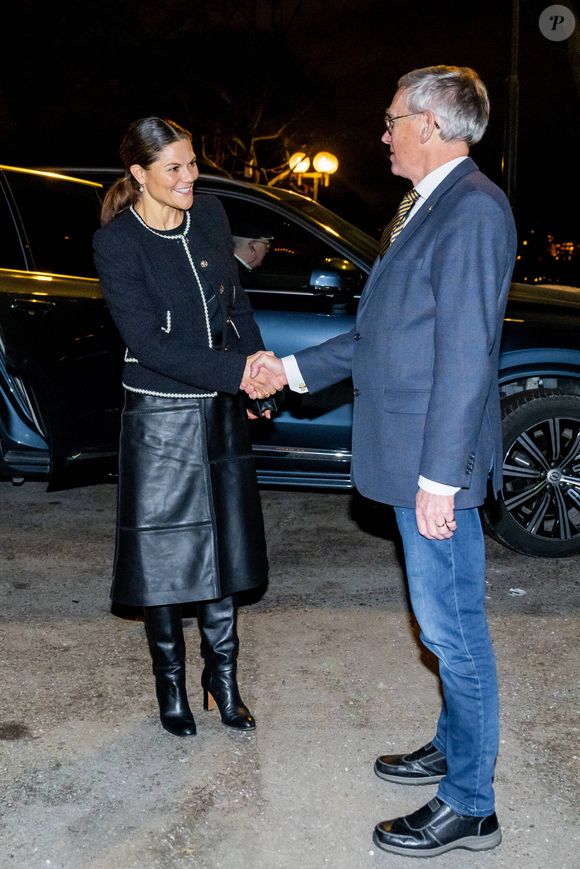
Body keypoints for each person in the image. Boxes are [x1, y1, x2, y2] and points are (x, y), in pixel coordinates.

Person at [251, 66, 517, 856]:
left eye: (393, 117)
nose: (384, 131)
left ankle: (472, 802)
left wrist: (442, 476)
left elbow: (466, 353)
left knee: (454, 628)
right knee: (442, 627)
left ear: (432, 126)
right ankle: (453, 741)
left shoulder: (472, 210)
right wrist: (289, 370)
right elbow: (383, 332)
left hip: (434, 465)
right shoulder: (424, 206)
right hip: (411, 454)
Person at [92, 116, 284, 738]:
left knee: (223, 548)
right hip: (159, 415)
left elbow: (238, 306)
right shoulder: (119, 243)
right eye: (173, 169)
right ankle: (170, 684)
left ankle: (222, 680)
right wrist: (238, 372)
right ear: (139, 174)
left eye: (192, 163)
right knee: (167, 555)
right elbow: (147, 343)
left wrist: (256, 371)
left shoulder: (212, 217)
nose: (189, 178)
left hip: (220, 409)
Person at [230, 219, 274, 285]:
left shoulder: (230, 268)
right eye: (267, 245)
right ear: (252, 246)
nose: (267, 251)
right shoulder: (241, 280)